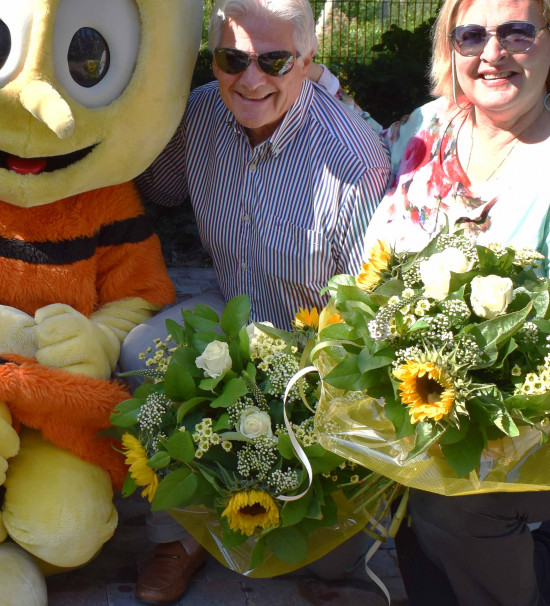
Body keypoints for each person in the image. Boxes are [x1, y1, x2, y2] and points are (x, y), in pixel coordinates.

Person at [362, 0, 550, 603]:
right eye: (471, 35)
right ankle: (540, 546)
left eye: (517, 33)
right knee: (433, 577)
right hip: (431, 397)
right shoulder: (421, 129)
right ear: (450, 49)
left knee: (455, 513)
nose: (492, 53)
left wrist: (471, 407)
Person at [125, 0, 390, 602]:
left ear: (308, 61)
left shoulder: (350, 160)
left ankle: (259, 501)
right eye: (232, 58)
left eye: (273, 61)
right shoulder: (200, 114)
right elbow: (154, 183)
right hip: (234, 316)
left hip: (315, 354)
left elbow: (364, 317)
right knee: (142, 351)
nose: (250, 79)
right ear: (213, 59)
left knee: (330, 564)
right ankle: (178, 537)